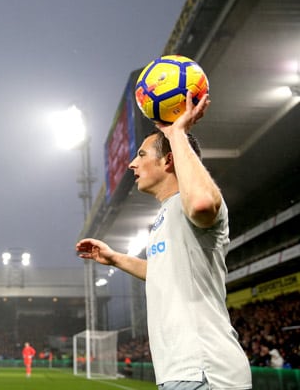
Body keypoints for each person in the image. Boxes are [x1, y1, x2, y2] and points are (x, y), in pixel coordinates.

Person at [76, 93, 252, 389]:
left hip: (205, 371)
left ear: (168, 160)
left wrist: (177, 132)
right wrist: (116, 258)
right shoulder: (164, 215)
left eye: (142, 155)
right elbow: (162, 271)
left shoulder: (193, 203)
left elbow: (200, 205)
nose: (132, 163)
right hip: (183, 372)